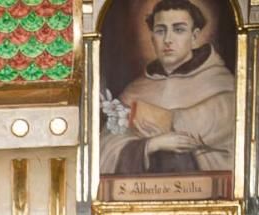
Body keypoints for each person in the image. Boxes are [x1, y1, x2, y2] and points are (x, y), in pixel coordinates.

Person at [100, 0, 234, 175]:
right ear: (152, 38)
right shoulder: (135, 91)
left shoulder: (222, 85)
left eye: (178, 30)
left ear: (194, 37)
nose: (168, 40)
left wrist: (165, 125)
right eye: (160, 31)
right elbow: (104, 150)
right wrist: (152, 145)